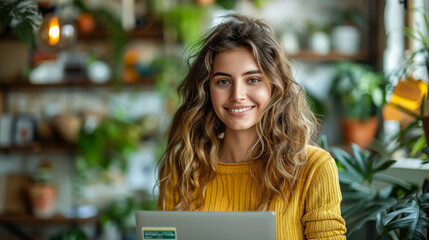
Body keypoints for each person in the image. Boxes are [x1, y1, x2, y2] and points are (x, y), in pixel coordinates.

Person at [157, 14, 346, 240]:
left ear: (275, 87)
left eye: (253, 79)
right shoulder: (182, 167)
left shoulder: (313, 169)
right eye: (223, 81)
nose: (237, 95)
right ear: (208, 90)